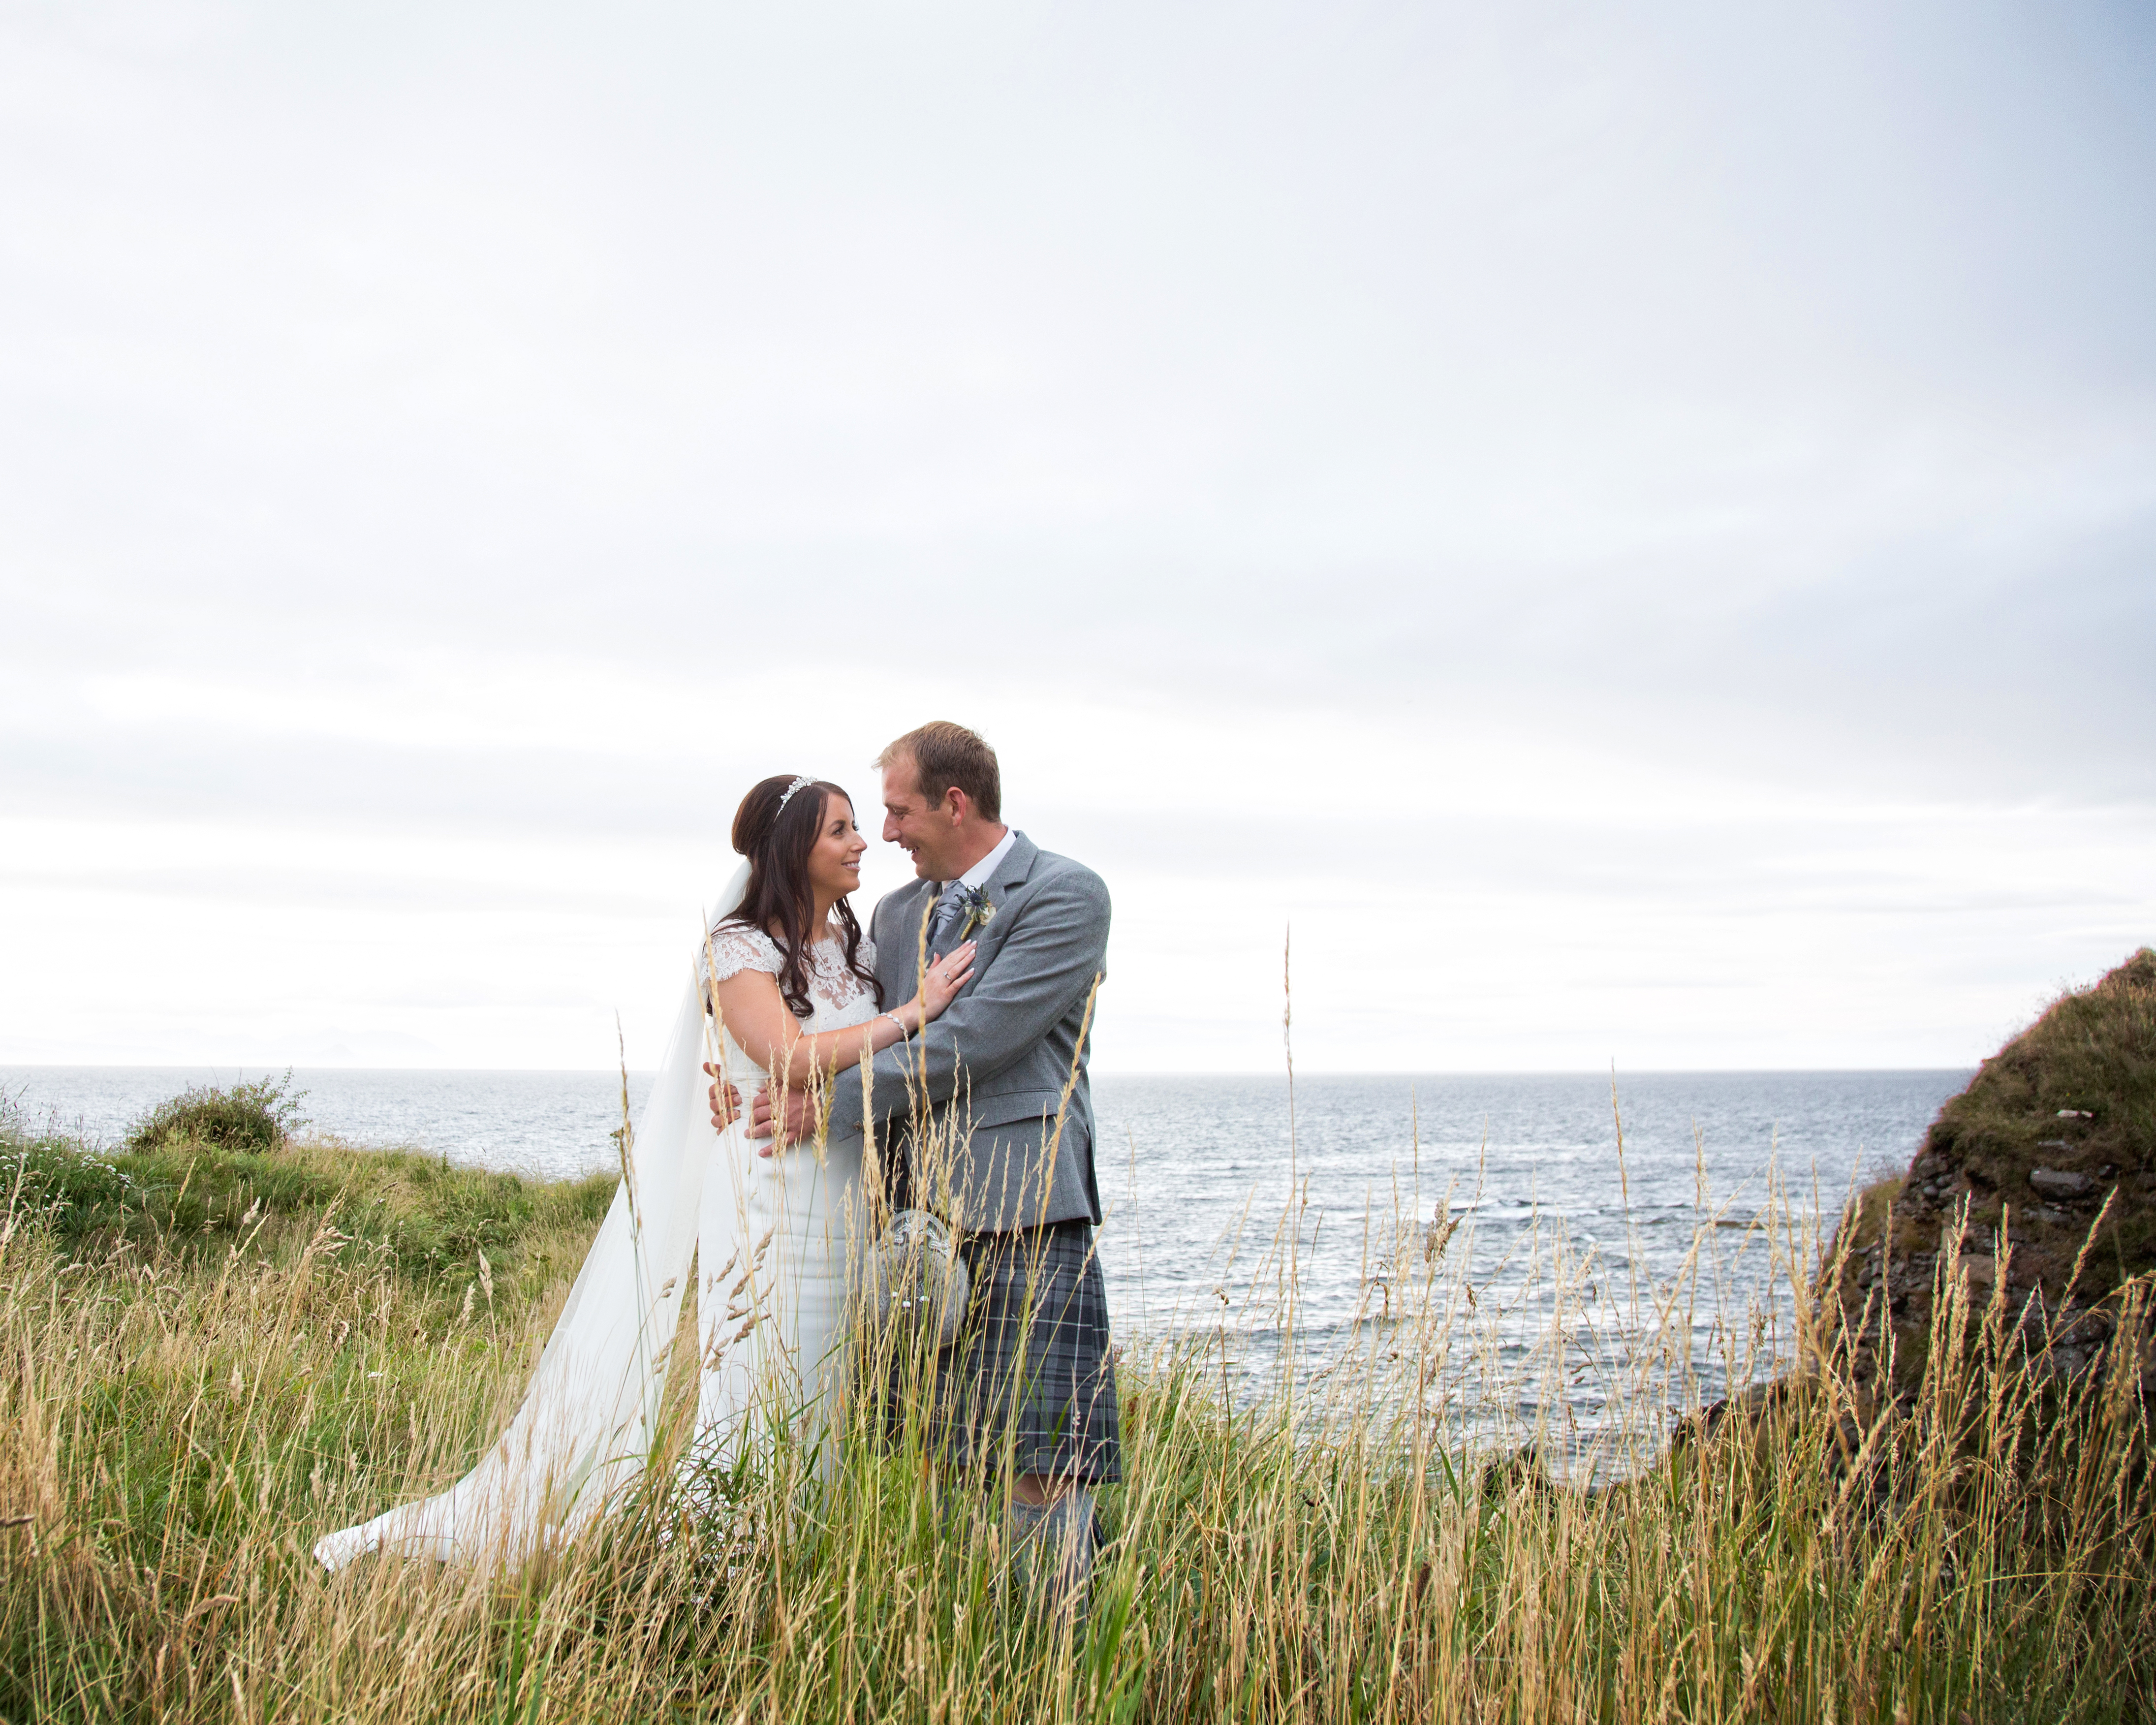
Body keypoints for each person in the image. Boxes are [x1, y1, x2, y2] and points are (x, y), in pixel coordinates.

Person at [312, 773, 973, 1571]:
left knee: (822, 1390)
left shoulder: (854, 945)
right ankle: (715, 1558)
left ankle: (798, 1555)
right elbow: (788, 1056)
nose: (861, 841)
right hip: (767, 1184)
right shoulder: (739, 946)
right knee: (758, 1379)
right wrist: (916, 1010)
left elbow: (847, 1067)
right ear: (796, 847)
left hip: (840, 1187)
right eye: (840, 829)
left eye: (859, 825)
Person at [720, 721, 1119, 1619]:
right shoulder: (897, 916)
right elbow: (812, 1020)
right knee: (942, 1452)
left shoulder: (1063, 893)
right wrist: (733, 1079)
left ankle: (1057, 1652)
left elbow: (976, 1039)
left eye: (897, 810)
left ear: (955, 801)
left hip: (1025, 1211)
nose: (886, 833)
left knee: (1046, 1456)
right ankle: (962, 1640)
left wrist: (826, 1108)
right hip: (909, 1226)